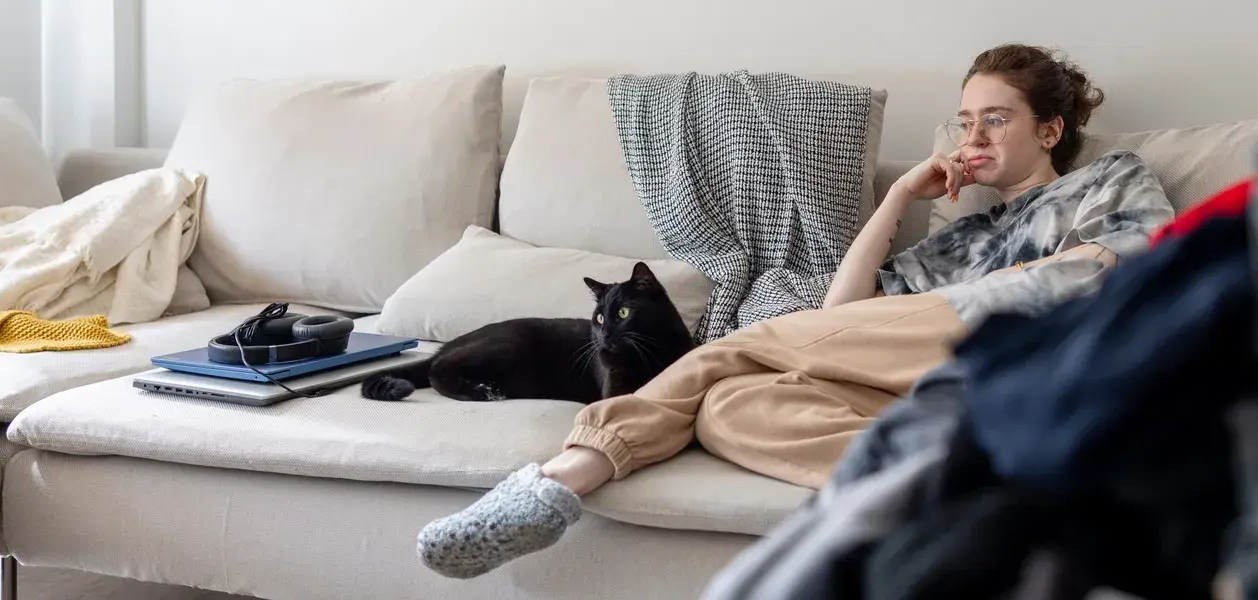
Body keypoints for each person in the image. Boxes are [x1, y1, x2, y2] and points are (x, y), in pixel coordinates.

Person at [415, 43, 1176, 579]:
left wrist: (1021, 281)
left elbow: (1137, 264)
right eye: (965, 119)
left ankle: (567, 473)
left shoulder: (1108, 178)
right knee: (730, 406)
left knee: (746, 348)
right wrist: (902, 197)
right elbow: (840, 315)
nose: (971, 136)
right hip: (939, 372)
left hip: (1039, 338)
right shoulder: (965, 232)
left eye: (996, 119)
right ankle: (980, 486)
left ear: (1050, 129)